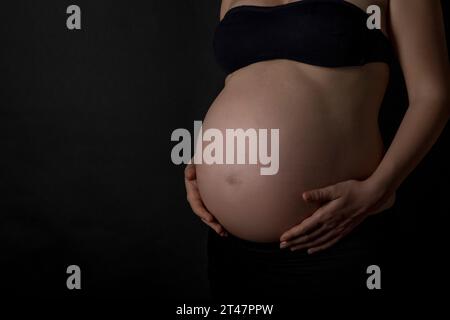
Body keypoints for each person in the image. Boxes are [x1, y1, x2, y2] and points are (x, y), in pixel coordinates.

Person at [185, 0, 450, 299]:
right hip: (230, 245)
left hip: (335, 234)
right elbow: (242, 82)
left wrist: (379, 188)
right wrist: (205, 161)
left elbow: (431, 97)